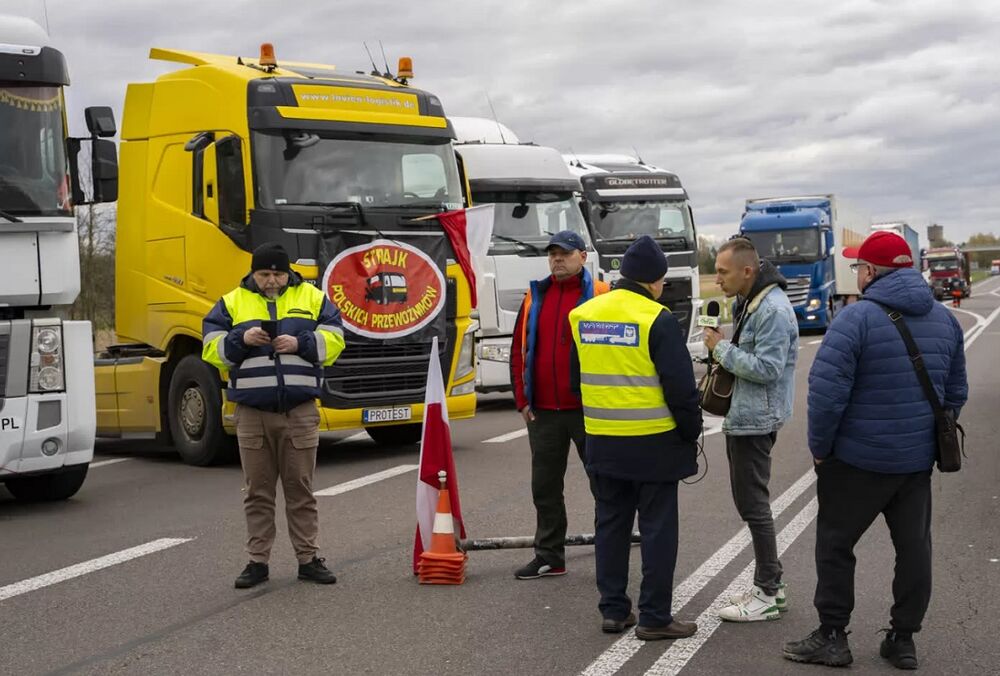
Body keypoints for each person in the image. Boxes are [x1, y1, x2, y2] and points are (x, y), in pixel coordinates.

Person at [784, 231, 968, 669]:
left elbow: (827, 396)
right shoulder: (945, 320)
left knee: (835, 545)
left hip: (856, 461)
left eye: (859, 268)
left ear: (870, 272)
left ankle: (832, 635)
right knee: (914, 549)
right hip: (914, 462)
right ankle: (903, 639)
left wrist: (820, 450)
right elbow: (955, 392)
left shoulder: (854, 320)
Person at [569, 235, 702, 639]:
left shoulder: (583, 314)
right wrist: (690, 431)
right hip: (654, 442)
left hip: (603, 439)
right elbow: (680, 387)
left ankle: (613, 611)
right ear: (656, 281)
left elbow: (578, 380)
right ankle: (655, 617)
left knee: (610, 525)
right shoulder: (656, 318)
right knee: (658, 529)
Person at [202, 242, 347, 589]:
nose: (271, 280)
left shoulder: (312, 298)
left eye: (278, 273)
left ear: (288, 272)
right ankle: (257, 562)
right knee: (258, 491)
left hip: (298, 411)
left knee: (301, 489)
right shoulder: (231, 302)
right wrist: (241, 339)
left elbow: (337, 339)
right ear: (253, 272)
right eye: (264, 274)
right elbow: (210, 347)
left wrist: (302, 344)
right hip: (252, 413)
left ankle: (308, 559)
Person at [703, 236, 798, 622]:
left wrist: (721, 350)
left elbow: (769, 368)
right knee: (750, 504)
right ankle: (769, 586)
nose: (717, 279)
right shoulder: (751, 301)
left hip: (755, 419)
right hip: (747, 415)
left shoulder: (771, 309)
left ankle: (768, 592)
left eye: (723, 272)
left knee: (754, 506)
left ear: (747, 271)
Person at [509, 230, 609, 580]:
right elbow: (517, 351)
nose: (557, 259)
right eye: (552, 254)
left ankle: (609, 553)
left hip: (588, 410)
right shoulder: (535, 296)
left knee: (604, 485)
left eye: (564, 253)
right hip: (544, 413)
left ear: (583, 257)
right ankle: (550, 556)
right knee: (545, 488)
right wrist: (522, 400)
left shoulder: (601, 295)